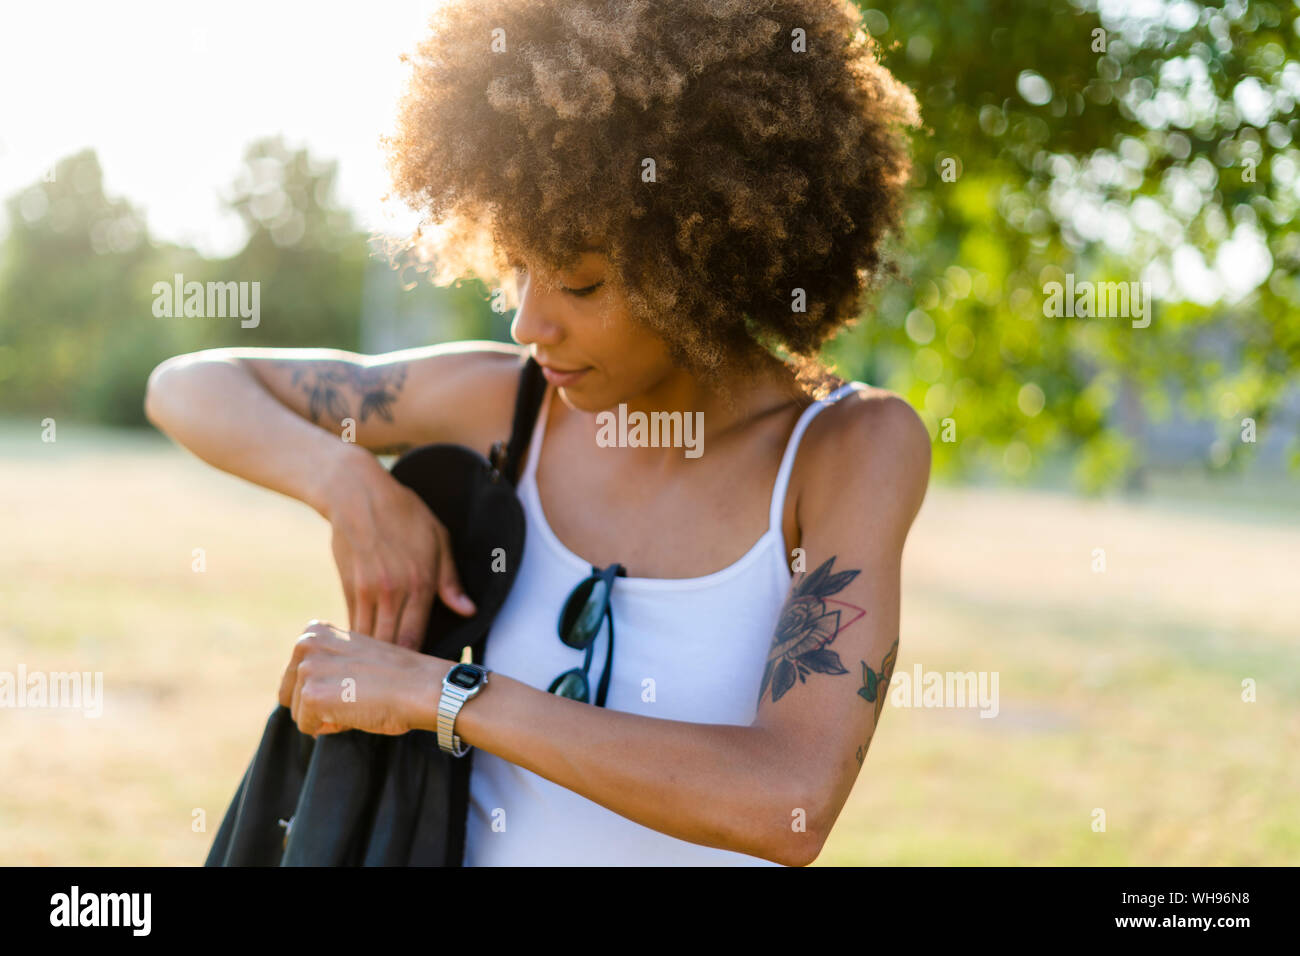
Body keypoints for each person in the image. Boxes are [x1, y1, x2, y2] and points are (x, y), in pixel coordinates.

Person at [144, 0, 929, 866]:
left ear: (702, 265)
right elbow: (191, 384)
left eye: (580, 285)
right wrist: (347, 483)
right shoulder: (505, 404)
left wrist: (442, 694)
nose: (526, 322)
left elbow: (790, 802)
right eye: (517, 268)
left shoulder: (848, 449)